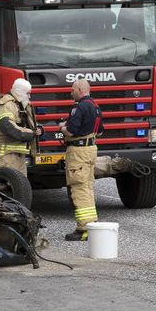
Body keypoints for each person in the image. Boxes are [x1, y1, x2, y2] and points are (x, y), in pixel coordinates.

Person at [59, 77, 101, 241]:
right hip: (91, 149)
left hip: (78, 152)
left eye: (72, 90)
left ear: (79, 90)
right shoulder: (96, 107)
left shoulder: (79, 107)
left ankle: (84, 228)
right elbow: (101, 131)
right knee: (87, 186)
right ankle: (92, 223)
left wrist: (62, 127)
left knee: (78, 188)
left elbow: (70, 131)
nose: (71, 93)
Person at [0, 78, 42, 175]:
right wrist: (32, 134)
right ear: (20, 92)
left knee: (21, 188)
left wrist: (39, 130)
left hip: (18, 156)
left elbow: (28, 125)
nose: (29, 97)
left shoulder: (20, 105)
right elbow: (8, 127)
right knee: (7, 188)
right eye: (28, 93)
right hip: (5, 156)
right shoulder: (6, 105)